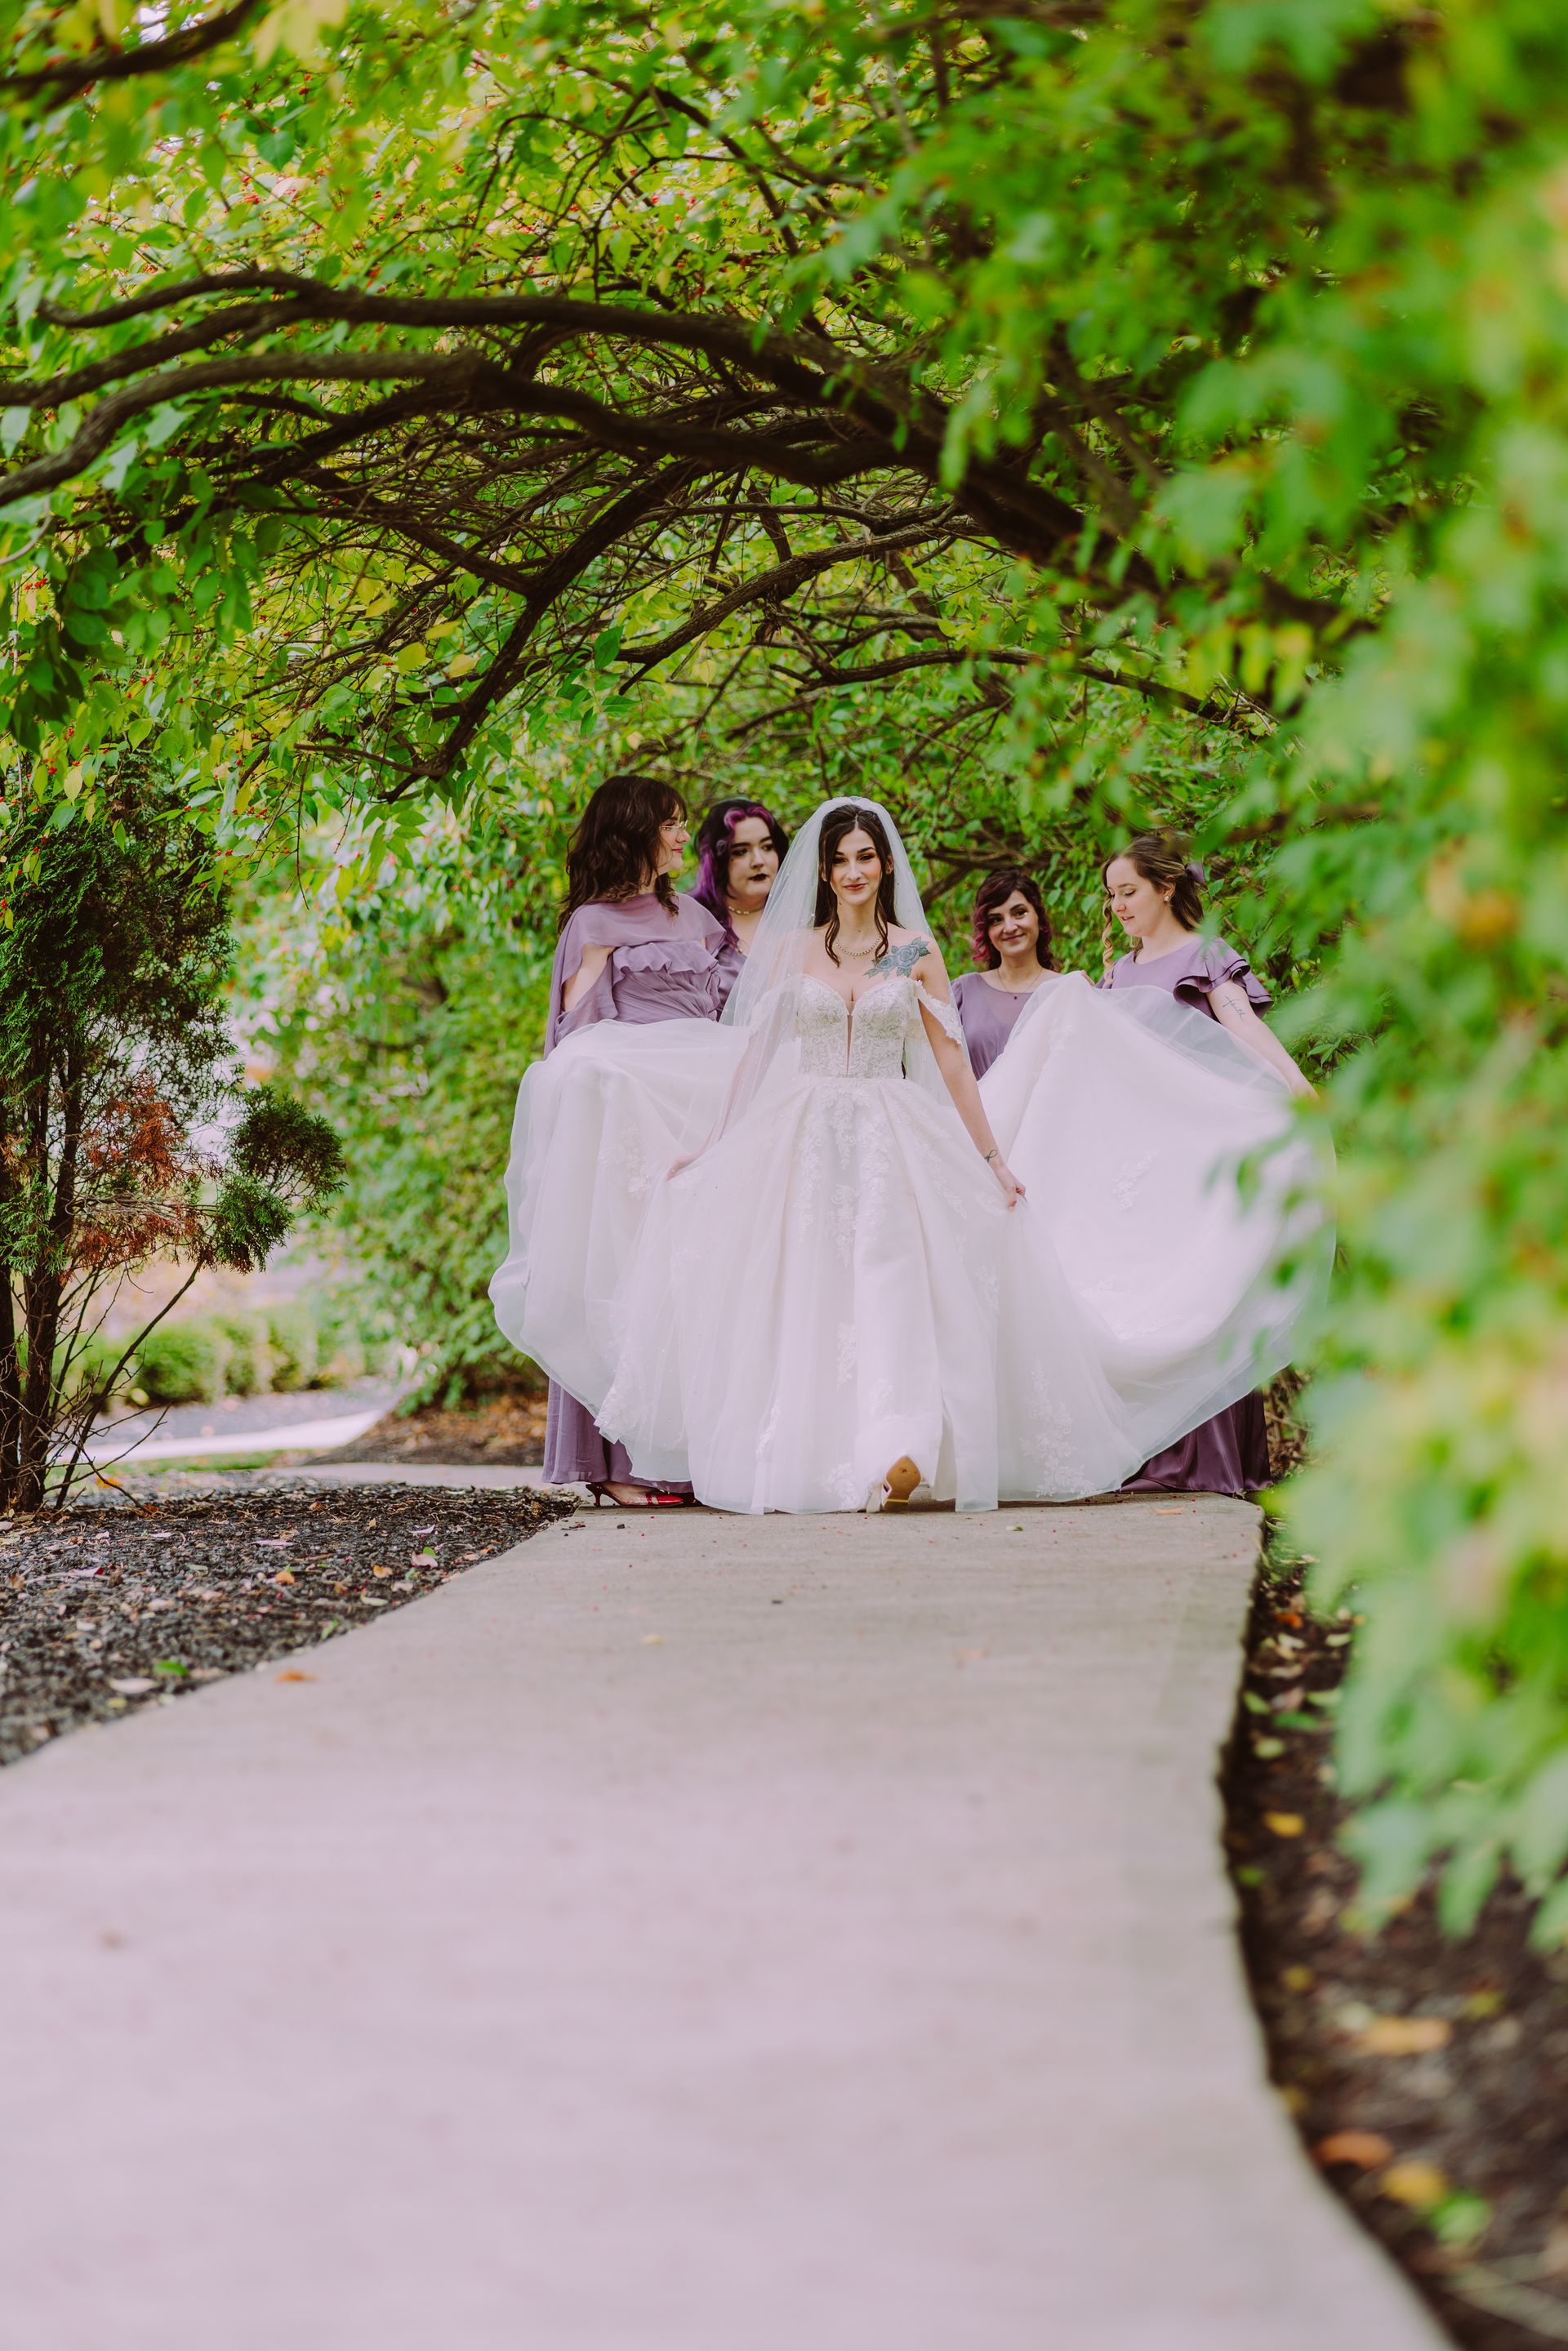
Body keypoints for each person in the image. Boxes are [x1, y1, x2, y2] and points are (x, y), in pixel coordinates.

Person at [596, 800, 1150, 1514]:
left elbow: (951, 1062)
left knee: (892, 1284)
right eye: (841, 859)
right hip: (806, 1134)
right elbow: (756, 1055)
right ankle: (822, 1448)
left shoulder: (911, 950)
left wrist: (992, 1159)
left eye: (866, 857)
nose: (854, 870)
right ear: (823, 872)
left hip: (892, 1135)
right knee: (814, 1290)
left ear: (885, 864)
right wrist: (707, 1144)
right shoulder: (795, 948)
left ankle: (901, 1445)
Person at [491, 771, 730, 1507]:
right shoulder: (590, 924)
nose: (685, 837)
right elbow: (576, 1040)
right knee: (620, 1277)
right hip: (631, 1109)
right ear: (634, 830)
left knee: (696, 1277)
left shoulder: (696, 916)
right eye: (672, 823)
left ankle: (694, 1456)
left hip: (704, 1095)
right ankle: (617, 1464)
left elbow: (727, 1010)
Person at [1098, 830, 1311, 1495]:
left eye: (1128, 891)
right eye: (1111, 896)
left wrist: (1297, 1088)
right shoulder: (1118, 974)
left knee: (1205, 1294)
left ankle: (1213, 1459)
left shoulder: (1205, 953)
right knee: (1149, 1295)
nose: (1118, 906)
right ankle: (1152, 1453)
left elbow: (1242, 1027)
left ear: (1165, 887)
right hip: (1143, 1160)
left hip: (1201, 1155)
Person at [951, 868, 1055, 1079]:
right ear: (987, 931)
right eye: (996, 920)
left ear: (1038, 916)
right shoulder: (962, 992)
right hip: (978, 1111)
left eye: (1019, 913)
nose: (1009, 927)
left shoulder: (1065, 990)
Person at [690, 797, 790, 988]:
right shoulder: (693, 922)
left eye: (767, 847)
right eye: (741, 851)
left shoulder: (803, 918)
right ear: (717, 861)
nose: (758, 861)